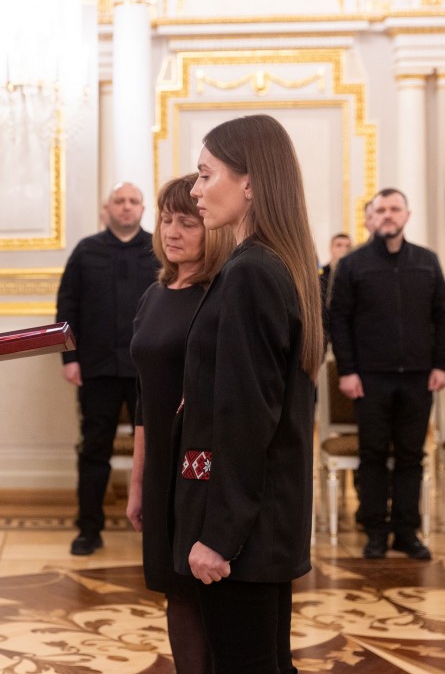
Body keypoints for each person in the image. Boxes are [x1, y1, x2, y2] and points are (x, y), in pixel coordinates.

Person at [178, 114, 323, 673]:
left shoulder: (251, 272)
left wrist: (219, 536)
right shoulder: (276, 262)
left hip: (244, 528)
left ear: (250, 182)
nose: (196, 190)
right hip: (265, 517)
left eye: (205, 174)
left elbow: (246, 418)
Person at [128, 173, 234, 673]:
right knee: (175, 587)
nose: (172, 232)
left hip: (200, 464)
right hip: (161, 467)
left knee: (205, 588)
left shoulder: (220, 296)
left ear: (211, 227)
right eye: (166, 220)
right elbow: (145, 400)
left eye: (187, 222)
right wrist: (138, 482)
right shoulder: (154, 295)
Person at [328, 188, 445, 561]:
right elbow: (339, 320)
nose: (388, 215)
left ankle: (406, 532)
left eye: (394, 209)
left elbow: (443, 315)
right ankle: (375, 532)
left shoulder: (427, 261)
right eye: (381, 209)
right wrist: (347, 370)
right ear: (371, 217)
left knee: (412, 455)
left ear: (406, 215)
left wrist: (441, 364)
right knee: (373, 454)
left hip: (418, 376)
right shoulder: (353, 264)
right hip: (370, 378)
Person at [56, 182, 159, 555]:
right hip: (97, 368)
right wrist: (69, 359)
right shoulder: (86, 251)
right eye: (120, 201)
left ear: (142, 209)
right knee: (94, 450)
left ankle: (157, 530)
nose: (127, 206)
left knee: (155, 451)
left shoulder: (159, 249)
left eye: (134, 201)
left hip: (148, 371)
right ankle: (88, 529)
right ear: (107, 209)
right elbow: (67, 308)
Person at [319, 232, 352, 345]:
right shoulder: (321, 274)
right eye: (339, 245)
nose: (343, 249)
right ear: (331, 248)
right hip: (325, 334)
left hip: (347, 335)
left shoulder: (355, 276)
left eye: (348, 246)